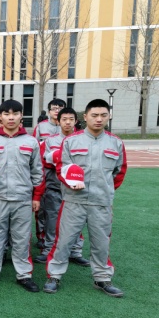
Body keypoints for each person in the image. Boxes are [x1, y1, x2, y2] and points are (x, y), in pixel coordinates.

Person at [44, 99, 127, 297]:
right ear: (85, 117)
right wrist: (70, 184)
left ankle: (102, 278)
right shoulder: (71, 141)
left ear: (108, 117)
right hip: (74, 201)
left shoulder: (115, 143)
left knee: (101, 243)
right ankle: (54, 276)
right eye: (94, 115)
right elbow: (61, 168)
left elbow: (119, 172)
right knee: (63, 241)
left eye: (103, 115)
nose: (99, 119)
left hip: (101, 203)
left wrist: (104, 190)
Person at [0, 100, 43, 292]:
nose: (11, 117)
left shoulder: (31, 142)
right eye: (6, 114)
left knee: (22, 239)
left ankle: (24, 274)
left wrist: (36, 197)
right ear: (0, 117)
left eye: (15, 113)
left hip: (22, 199)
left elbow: (37, 172)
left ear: (21, 116)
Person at [35, 108, 88, 267]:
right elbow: (43, 162)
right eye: (64, 119)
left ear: (76, 121)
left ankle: (75, 252)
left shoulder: (83, 140)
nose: (68, 122)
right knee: (52, 221)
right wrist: (58, 158)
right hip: (55, 188)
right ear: (58, 121)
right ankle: (48, 250)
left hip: (76, 191)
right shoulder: (49, 141)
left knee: (76, 222)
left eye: (71, 119)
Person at [33, 98, 66, 249]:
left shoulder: (69, 127)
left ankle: (61, 240)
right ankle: (41, 236)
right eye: (54, 108)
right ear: (49, 111)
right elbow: (34, 148)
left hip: (63, 178)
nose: (57, 111)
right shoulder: (41, 127)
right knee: (42, 209)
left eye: (60, 108)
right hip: (44, 173)